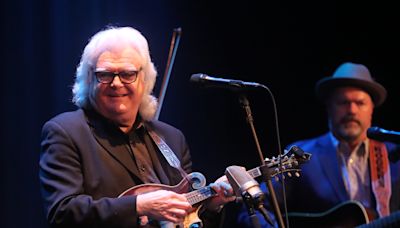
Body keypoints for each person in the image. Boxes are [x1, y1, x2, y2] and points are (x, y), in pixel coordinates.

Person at [39, 26, 235, 228]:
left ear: (144, 79)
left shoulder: (172, 138)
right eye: (105, 74)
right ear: (90, 79)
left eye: (127, 74)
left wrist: (211, 205)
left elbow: (187, 220)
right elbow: (62, 212)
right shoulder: (66, 132)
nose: (116, 83)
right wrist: (138, 205)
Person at [237, 62, 400, 227]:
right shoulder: (301, 156)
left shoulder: (395, 155)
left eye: (360, 103)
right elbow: (253, 207)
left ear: (372, 108)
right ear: (329, 107)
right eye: (343, 102)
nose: (352, 110)